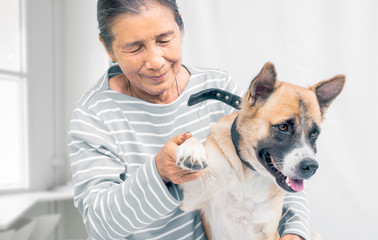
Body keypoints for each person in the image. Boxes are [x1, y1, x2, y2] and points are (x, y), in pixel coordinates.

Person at [68, 0, 312, 239]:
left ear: (180, 24)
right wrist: (160, 173)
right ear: (108, 48)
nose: (155, 61)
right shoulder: (94, 116)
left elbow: (274, 166)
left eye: (165, 39)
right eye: (134, 47)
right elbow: (99, 224)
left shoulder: (217, 88)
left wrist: (295, 231)